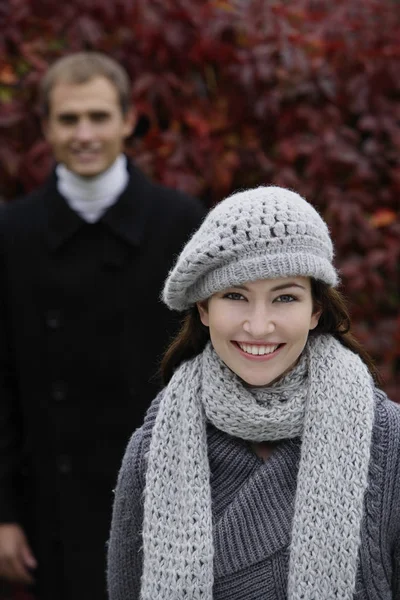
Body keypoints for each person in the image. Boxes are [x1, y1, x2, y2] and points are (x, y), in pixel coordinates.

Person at [107, 185, 400, 600]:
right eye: (235, 296)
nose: (259, 326)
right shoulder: (154, 450)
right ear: (204, 309)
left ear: (315, 310)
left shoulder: (388, 441)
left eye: (284, 297)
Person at [0, 52, 206, 600]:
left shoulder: (182, 223)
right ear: (45, 126)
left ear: (128, 119)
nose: (84, 134)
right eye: (68, 120)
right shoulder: (10, 234)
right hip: (50, 507)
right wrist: (2, 515)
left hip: (166, 501)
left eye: (98, 116)